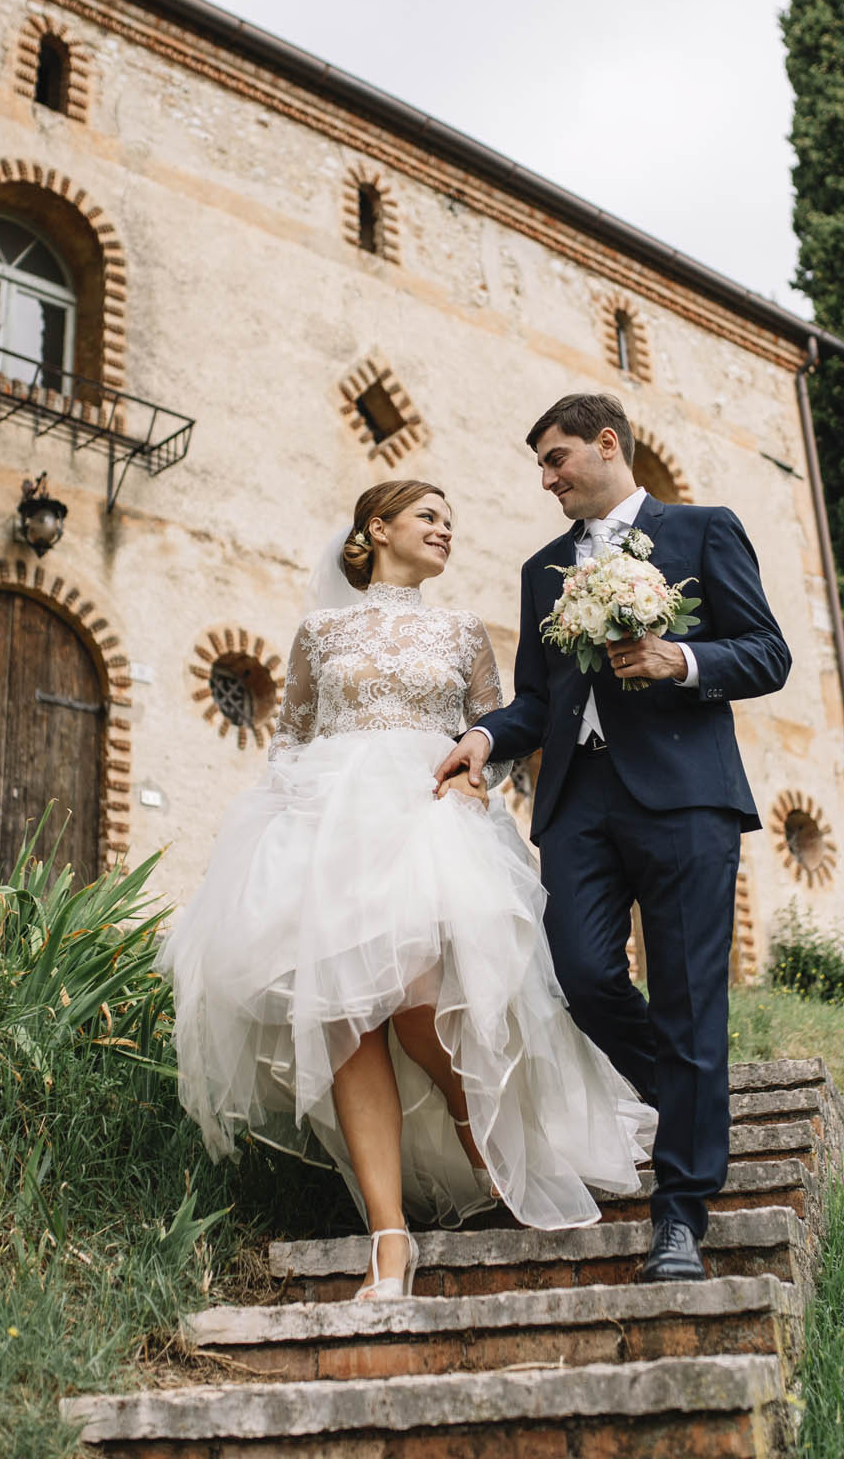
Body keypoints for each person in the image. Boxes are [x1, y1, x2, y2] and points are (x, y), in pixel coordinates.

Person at [158, 478, 654, 1300]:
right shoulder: (318, 632)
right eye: (429, 517)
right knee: (344, 1016)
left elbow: (491, 730)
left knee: (416, 999)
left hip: (426, 817)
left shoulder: (462, 632)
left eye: (452, 522)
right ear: (376, 528)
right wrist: (278, 825)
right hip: (332, 826)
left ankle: (480, 1131)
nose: (445, 531)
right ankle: (388, 1239)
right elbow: (290, 736)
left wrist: (479, 777)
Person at [436, 395, 790, 1283]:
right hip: (577, 804)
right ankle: (687, 1099)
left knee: (685, 1000)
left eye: (556, 460)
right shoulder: (541, 568)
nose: (547, 480)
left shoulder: (704, 531)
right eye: (541, 468)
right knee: (581, 975)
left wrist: (683, 659)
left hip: (683, 799)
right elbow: (532, 697)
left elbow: (766, 652)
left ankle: (679, 1218)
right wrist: (482, 738)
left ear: (606, 445)